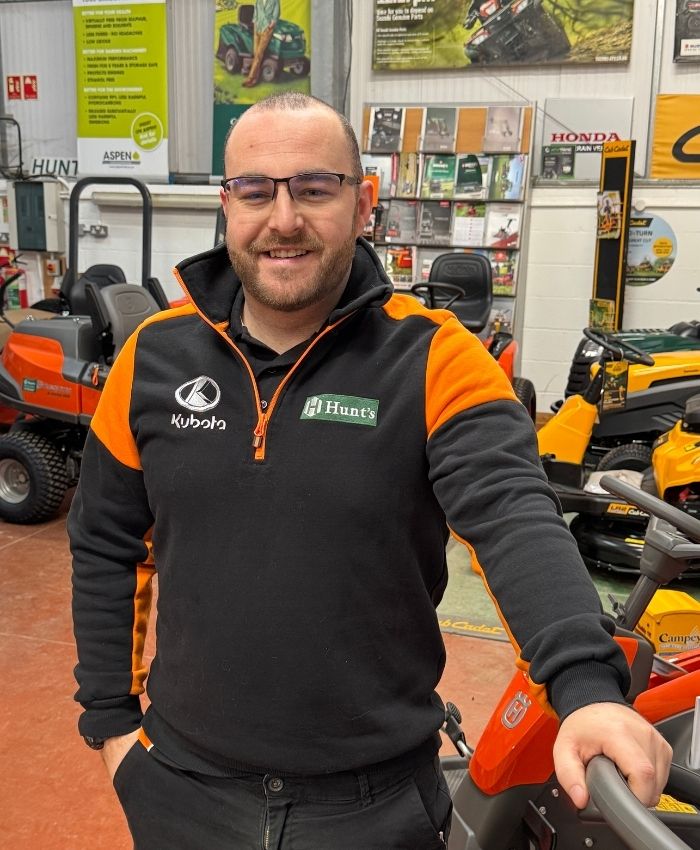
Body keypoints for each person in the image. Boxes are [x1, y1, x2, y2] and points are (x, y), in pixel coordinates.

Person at [69, 92, 671, 850]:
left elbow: (513, 515)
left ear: (364, 203)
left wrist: (585, 690)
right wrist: (113, 727)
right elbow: (105, 543)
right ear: (227, 205)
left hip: (372, 809)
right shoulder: (152, 358)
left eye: (315, 188)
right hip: (182, 793)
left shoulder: (436, 358)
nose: (283, 219)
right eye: (255, 190)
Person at [242, 0, 280, 88]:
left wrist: (270, 26)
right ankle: (255, 78)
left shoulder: (275, 1)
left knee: (258, 54)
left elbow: (275, 16)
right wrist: (255, 25)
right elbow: (255, 15)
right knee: (256, 54)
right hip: (257, 29)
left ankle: (250, 78)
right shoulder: (258, 1)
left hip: (266, 30)